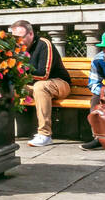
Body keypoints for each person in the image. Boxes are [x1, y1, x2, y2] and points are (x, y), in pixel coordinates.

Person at [11, 19, 70, 147]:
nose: (17, 41)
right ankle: (1, 129)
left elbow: (44, 74)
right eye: (14, 38)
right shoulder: (16, 48)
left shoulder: (44, 44)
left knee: (40, 86)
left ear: (31, 34)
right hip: (35, 85)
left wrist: (20, 73)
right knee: (7, 86)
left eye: (20, 37)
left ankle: (45, 134)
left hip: (59, 84)